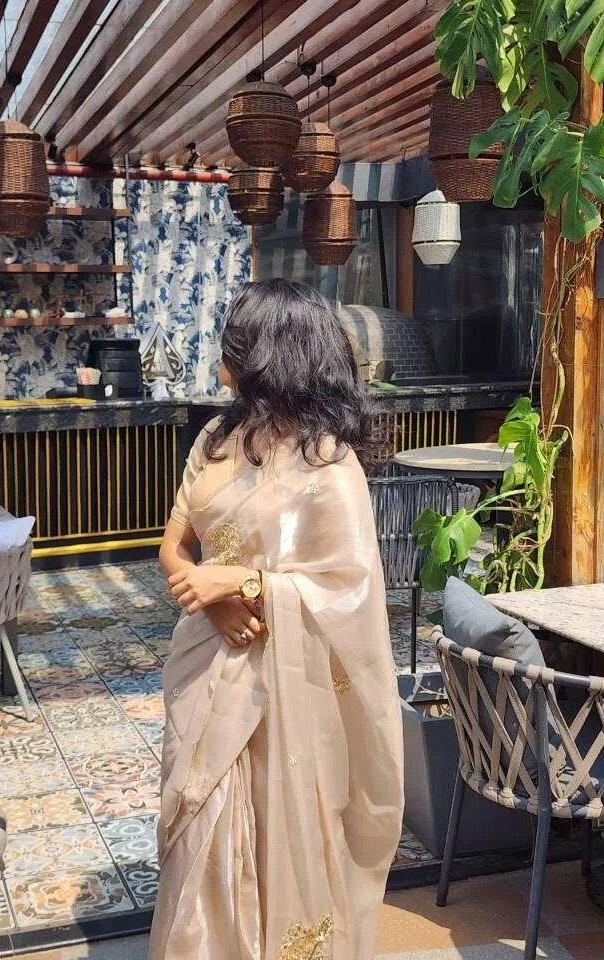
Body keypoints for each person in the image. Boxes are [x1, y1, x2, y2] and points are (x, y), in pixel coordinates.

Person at [149, 279, 404, 960]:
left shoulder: (329, 465)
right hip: (206, 661)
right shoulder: (217, 437)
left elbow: (347, 587)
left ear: (269, 353)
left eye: (234, 339)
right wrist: (215, 599)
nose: (222, 353)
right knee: (200, 822)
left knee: (278, 826)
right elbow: (173, 546)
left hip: (288, 683)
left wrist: (244, 582)